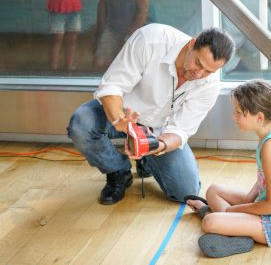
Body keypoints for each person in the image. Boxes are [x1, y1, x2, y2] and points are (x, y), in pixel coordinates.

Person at [67, 23, 235, 205]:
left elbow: (181, 130)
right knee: (81, 124)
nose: (199, 74)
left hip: (158, 132)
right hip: (121, 114)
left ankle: (146, 159)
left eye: (209, 71)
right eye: (198, 63)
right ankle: (118, 171)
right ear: (191, 45)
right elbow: (112, 86)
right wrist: (118, 119)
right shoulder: (151, 39)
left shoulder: (210, 84)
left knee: (186, 191)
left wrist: (159, 145)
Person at [185, 79, 271, 258]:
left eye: (239, 112)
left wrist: (233, 210)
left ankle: (224, 224)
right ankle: (232, 225)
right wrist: (248, 201)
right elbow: (265, 181)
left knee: (210, 222)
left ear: (259, 117)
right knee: (214, 191)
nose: (233, 116)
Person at [93, 0, 155, 71]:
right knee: (99, 63)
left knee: (126, 66)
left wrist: (127, 39)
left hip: (139, 31)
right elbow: (102, 4)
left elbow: (143, 12)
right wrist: (100, 32)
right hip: (113, 27)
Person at [47, 0, 84, 71]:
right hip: (57, 5)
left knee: (72, 38)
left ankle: (69, 66)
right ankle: (53, 67)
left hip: (72, 5)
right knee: (57, 37)